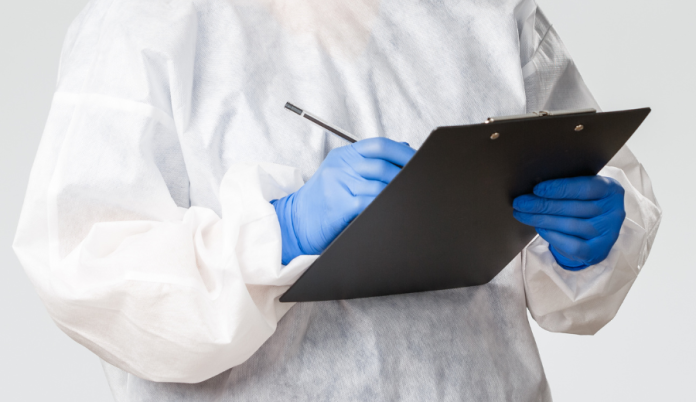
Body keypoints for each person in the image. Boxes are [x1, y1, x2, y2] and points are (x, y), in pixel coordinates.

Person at [14, 0, 661, 400]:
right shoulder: (149, 21)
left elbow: (600, 169)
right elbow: (83, 266)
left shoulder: (489, 13)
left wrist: (591, 236)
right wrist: (279, 232)